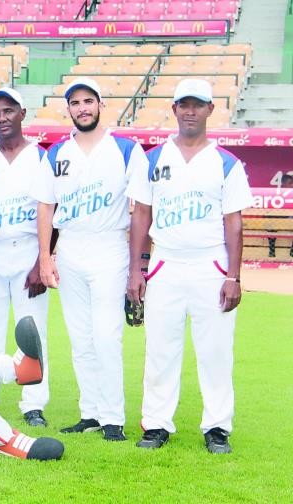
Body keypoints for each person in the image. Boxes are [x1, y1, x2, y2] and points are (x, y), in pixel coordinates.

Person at [127, 79, 253, 454]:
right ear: (174, 108)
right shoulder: (153, 159)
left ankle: (217, 427)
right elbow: (141, 216)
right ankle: (156, 425)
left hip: (210, 264)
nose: (190, 111)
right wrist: (137, 271)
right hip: (165, 262)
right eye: (184, 104)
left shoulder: (226, 163)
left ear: (211, 110)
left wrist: (233, 275)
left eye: (198, 105)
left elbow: (234, 222)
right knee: (160, 349)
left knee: (215, 350)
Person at [30, 77, 147, 442]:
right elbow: (45, 207)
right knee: (80, 338)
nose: (82, 108)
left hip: (109, 245)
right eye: (76, 102)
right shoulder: (56, 153)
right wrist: (45, 258)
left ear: (100, 105)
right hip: (70, 249)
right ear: (68, 109)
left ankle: (113, 417)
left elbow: (143, 208)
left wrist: (137, 266)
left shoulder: (126, 150)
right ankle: (90, 412)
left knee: (107, 336)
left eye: (88, 101)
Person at [0, 88, 51, 427]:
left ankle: (33, 403)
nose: (2, 118)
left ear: (22, 113)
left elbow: (51, 211)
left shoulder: (40, 157)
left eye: (8, 111)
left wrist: (42, 262)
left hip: (28, 252)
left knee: (32, 330)